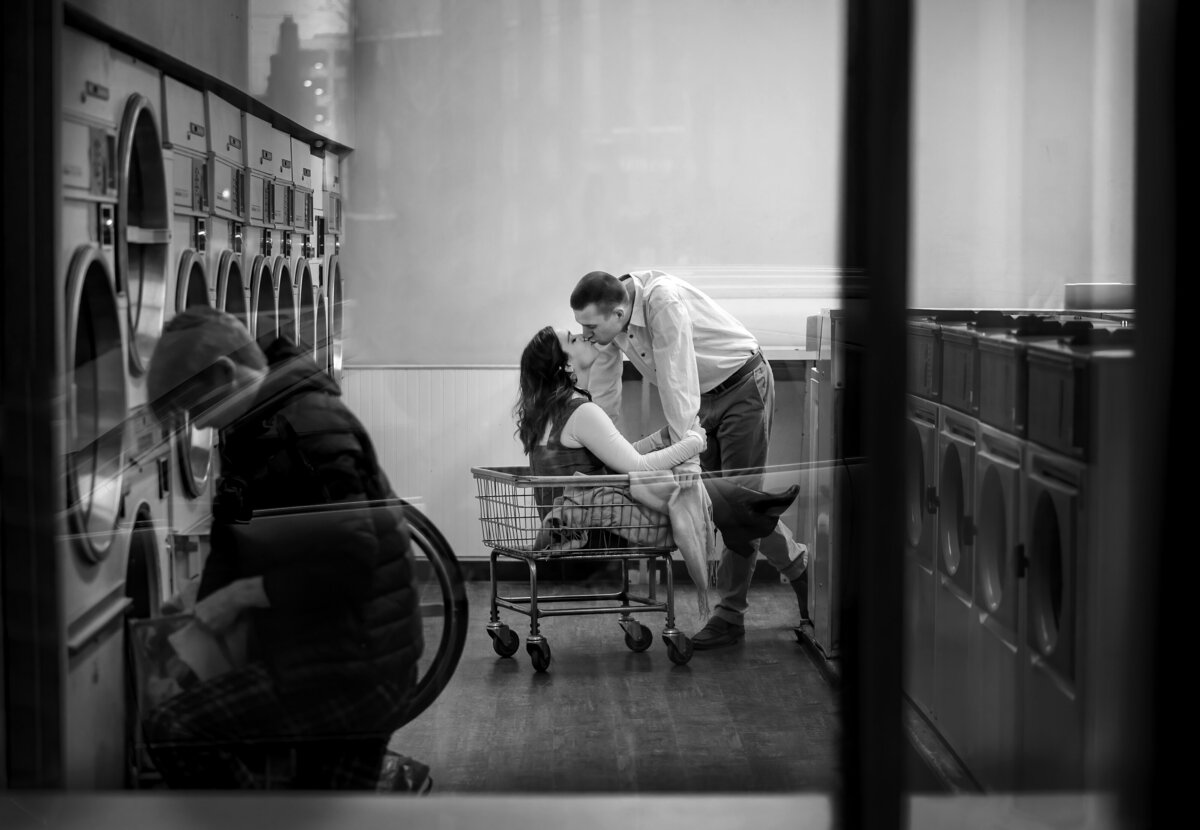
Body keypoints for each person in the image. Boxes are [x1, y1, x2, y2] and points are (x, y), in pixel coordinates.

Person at [141, 306, 425, 789]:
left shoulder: (304, 428)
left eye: (193, 410)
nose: (198, 427)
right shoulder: (259, 423)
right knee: (319, 807)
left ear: (227, 375)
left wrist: (241, 595)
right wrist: (197, 612)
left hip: (356, 669)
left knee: (177, 731)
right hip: (324, 650)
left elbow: (350, 564)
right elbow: (236, 540)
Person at [571, 270, 809, 650]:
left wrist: (687, 458)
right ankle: (801, 569)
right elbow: (606, 388)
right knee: (724, 503)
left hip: (740, 387)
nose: (584, 334)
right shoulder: (613, 319)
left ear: (618, 313)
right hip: (702, 398)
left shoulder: (661, 302)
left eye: (589, 326)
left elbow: (677, 381)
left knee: (737, 499)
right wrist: (606, 449)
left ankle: (731, 615)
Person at [516, 326, 796, 545]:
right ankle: (748, 513)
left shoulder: (550, 412)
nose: (582, 335)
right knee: (680, 479)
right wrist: (693, 444)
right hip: (594, 532)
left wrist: (660, 438)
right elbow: (636, 466)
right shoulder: (580, 411)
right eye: (573, 340)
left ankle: (750, 511)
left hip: (572, 524)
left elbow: (615, 455)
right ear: (565, 366)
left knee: (678, 477)